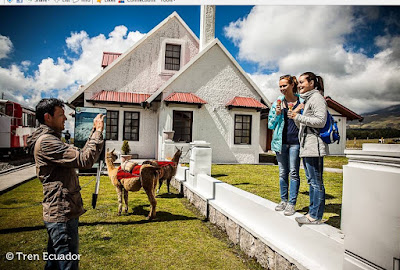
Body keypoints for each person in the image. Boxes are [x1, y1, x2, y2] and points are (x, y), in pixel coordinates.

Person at [27, 98, 105, 269]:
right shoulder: (47, 142)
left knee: (55, 265)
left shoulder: (50, 139)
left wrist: (92, 131)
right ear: (48, 117)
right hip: (61, 214)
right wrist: (98, 132)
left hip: (61, 212)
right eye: (61, 115)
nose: (65, 119)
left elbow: (80, 154)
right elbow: (85, 159)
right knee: (68, 265)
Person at [288, 72, 328, 225]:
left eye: (302, 82)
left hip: (314, 146)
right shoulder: (308, 99)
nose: (299, 85)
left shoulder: (317, 98)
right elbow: (304, 125)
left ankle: (315, 216)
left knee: (316, 182)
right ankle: (313, 213)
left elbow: (320, 121)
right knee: (312, 181)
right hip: (307, 146)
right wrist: (296, 117)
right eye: (298, 82)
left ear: (312, 83)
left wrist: (298, 117)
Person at [268, 75, 303, 216]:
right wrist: (277, 114)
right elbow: (270, 124)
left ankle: (291, 204)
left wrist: (298, 112)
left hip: (296, 142)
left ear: (292, 85)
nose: (282, 89)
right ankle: (283, 201)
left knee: (294, 173)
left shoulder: (301, 101)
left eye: (284, 85)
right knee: (283, 173)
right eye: (280, 86)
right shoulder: (278, 102)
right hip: (280, 143)